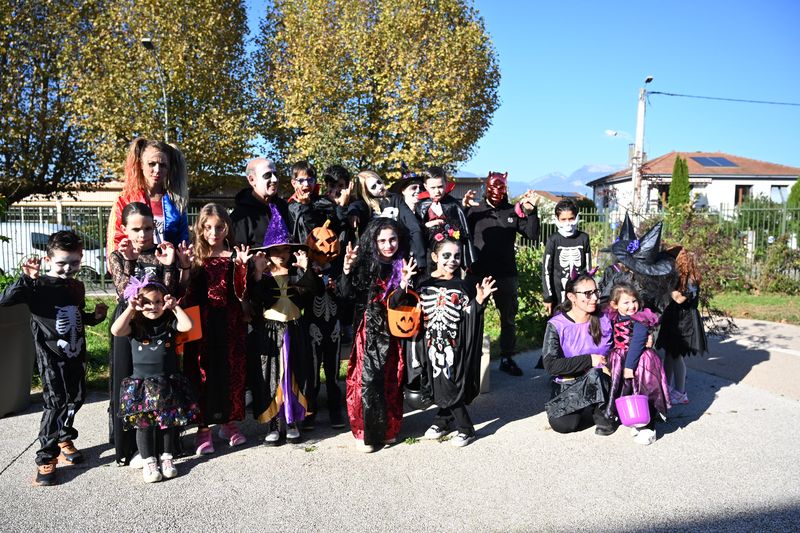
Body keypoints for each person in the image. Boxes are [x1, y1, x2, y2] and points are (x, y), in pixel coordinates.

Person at [0, 231, 108, 486]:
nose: (68, 268)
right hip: (51, 358)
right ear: (48, 260)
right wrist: (26, 278)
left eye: (74, 262)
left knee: (76, 398)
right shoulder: (37, 286)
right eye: (61, 263)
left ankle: (64, 436)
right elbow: (5, 300)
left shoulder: (76, 286)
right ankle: (46, 457)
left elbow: (77, 315)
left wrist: (96, 317)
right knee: (56, 403)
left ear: (81, 258)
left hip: (76, 355)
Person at [107, 202, 191, 466]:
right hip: (131, 323)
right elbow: (125, 291)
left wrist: (171, 266)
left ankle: (167, 447)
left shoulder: (161, 252)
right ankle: (132, 448)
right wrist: (131, 261)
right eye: (135, 229)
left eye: (147, 228)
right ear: (124, 229)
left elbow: (171, 292)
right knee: (130, 384)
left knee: (165, 382)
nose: (142, 234)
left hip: (160, 325)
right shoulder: (118, 255)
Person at [340, 218, 416, 452]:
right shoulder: (363, 263)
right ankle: (364, 431)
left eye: (392, 239)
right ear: (373, 241)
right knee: (366, 380)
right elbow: (346, 295)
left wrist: (404, 283)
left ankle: (388, 429)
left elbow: (401, 304)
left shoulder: (404, 264)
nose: (388, 245)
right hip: (368, 330)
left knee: (392, 378)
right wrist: (347, 269)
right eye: (382, 240)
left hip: (393, 330)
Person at [111, 276, 197, 483]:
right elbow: (116, 330)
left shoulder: (168, 323)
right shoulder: (135, 326)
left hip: (167, 383)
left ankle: (167, 458)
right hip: (142, 385)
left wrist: (175, 307)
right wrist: (130, 308)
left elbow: (188, 326)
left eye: (158, 302)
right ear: (138, 303)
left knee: (168, 423)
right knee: (144, 425)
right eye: (147, 302)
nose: (153, 306)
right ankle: (149, 461)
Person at [248, 213, 323, 444]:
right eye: (276, 250)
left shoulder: (296, 274)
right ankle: (273, 422)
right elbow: (255, 300)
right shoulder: (262, 277)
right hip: (270, 333)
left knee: (293, 373)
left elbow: (314, 293)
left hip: (295, 330)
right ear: (267, 253)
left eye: (285, 250)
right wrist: (258, 273)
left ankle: (292, 421)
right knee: (271, 375)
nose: (281, 254)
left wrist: (306, 270)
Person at [182, 204, 250, 454]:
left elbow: (241, 292)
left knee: (229, 372)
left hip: (229, 323)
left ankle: (228, 422)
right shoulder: (195, 258)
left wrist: (243, 268)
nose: (214, 232)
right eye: (208, 227)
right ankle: (203, 427)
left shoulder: (233, 256)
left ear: (227, 228)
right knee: (202, 373)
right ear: (200, 228)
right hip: (201, 324)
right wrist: (185, 267)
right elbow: (185, 291)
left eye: (219, 227)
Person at [418, 237, 496, 447]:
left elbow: (469, 316)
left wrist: (479, 301)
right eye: (446, 255)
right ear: (435, 257)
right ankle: (442, 420)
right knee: (437, 383)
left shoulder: (463, 286)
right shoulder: (424, 285)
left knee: (449, 383)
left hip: (454, 345)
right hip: (429, 343)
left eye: (457, 256)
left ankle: (466, 428)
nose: (452, 260)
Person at [464, 171, 540, 376]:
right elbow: (457, 231)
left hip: (506, 275)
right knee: (472, 315)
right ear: (486, 188)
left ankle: (507, 357)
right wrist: (463, 207)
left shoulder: (513, 211)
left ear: (506, 189)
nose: (497, 193)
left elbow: (532, 234)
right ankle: (470, 357)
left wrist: (532, 211)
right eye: (493, 189)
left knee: (508, 319)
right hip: (477, 274)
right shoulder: (474, 210)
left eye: (501, 189)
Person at [540, 272, 615, 435]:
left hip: (605, 380)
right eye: (587, 294)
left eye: (595, 292)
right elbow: (551, 365)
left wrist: (645, 336)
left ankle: (604, 417)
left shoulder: (606, 318)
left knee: (596, 375)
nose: (594, 298)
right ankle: (594, 407)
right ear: (572, 297)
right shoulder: (557, 325)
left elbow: (622, 344)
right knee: (563, 425)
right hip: (571, 384)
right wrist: (589, 360)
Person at [604, 282, 671, 445]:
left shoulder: (640, 318)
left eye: (634, 301)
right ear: (615, 305)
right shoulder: (615, 317)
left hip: (640, 360)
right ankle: (636, 420)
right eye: (626, 302)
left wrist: (629, 366)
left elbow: (638, 342)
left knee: (645, 389)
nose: (631, 306)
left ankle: (649, 426)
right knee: (627, 390)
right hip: (621, 358)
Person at [107, 138, 189, 254]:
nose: (157, 170)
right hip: (133, 264)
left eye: (163, 165)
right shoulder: (125, 199)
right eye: (152, 164)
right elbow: (115, 241)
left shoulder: (176, 202)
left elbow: (183, 243)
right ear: (141, 164)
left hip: (169, 264)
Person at [657, 247, 708, 405]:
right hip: (675, 319)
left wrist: (666, 285)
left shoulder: (691, 279)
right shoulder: (681, 277)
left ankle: (680, 393)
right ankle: (667, 388)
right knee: (670, 355)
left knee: (676, 356)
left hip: (684, 322)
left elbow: (680, 299)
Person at [416, 166, 475, 269]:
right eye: (433, 188)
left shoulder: (453, 205)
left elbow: (463, 227)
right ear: (425, 186)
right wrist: (426, 225)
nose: (437, 191)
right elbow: (415, 231)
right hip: (429, 254)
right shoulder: (421, 206)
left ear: (446, 184)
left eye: (440, 187)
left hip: (451, 257)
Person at [542, 199, 592, 314]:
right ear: (557, 219)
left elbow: (588, 268)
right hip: (557, 293)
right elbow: (546, 269)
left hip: (579, 293)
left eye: (571, 219)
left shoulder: (583, 238)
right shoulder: (553, 240)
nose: (567, 223)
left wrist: (588, 291)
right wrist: (548, 296)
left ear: (577, 217)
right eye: (563, 219)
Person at [231, 157, 291, 248]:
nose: (274, 179)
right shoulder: (240, 217)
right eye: (267, 175)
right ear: (252, 180)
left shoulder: (284, 208)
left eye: (275, 174)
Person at [387, 169, 427, 274]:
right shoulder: (395, 213)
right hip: (399, 265)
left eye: (420, 188)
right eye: (413, 188)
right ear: (403, 191)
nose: (418, 191)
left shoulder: (425, 213)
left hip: (421, 267)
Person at [346, 170, 391, 235]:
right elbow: (355, 205)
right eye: (373, 187)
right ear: (366, 192)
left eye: (379, 182)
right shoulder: (365, 205)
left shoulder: (394, 198)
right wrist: (353, 213)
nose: (379, 187)